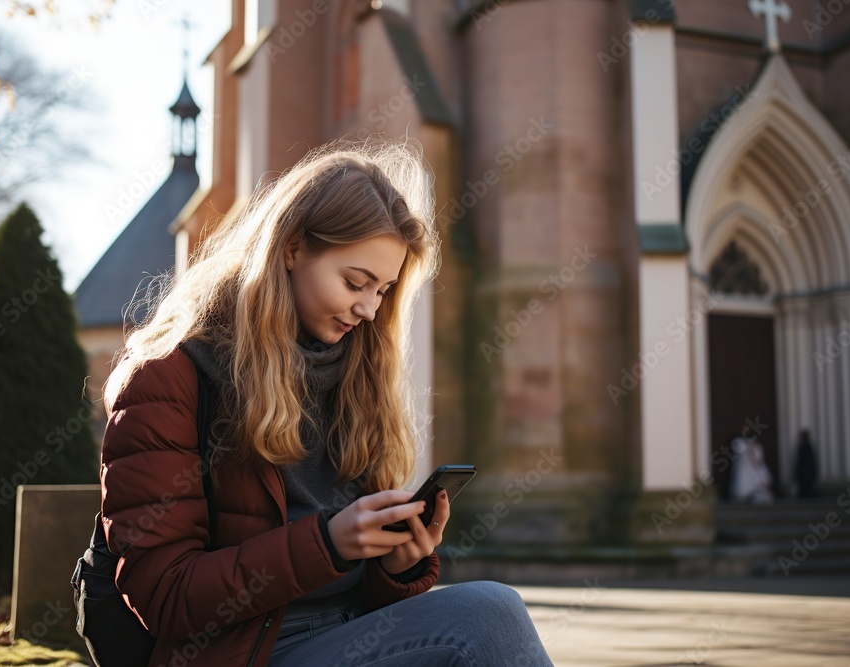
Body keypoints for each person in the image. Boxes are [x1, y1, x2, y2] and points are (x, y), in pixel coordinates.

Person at [99, 140, 554, 666]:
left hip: (352, 636)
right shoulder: (167, 378)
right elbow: (165, 596)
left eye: (383, 290)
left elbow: (363, 593)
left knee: (490, 612)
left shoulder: (353, 375)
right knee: (488, 613)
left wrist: (397, 566)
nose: (367, 309)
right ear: (291, 248)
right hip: (240, 653)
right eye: (355, 282)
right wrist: (328, 543)